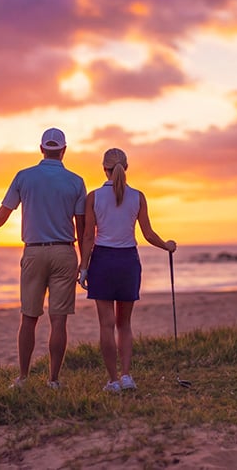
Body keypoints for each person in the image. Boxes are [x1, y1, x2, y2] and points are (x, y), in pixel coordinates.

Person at [0, 128, 87, 390]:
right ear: (64, 150)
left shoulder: (24, 176)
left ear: (41, 149)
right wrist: (85, 264)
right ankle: (53, 380)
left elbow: (5, 210)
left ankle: (24, 378)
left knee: (29, 317)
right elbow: (83, 226)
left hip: (34, 251)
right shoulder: (76, 181)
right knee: (59, 319)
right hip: (64, 252)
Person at [78, 148, 176, 393]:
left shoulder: (94, 197)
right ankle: (126, 376)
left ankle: (112, 381)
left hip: (103, 261)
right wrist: (167, 246)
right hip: (128, 262)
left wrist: (83, 267)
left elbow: (88, 236)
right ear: (126, 167)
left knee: (106, 325)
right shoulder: (138, 196)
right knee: (124, 324)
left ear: (104, 168)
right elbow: (148, 234)